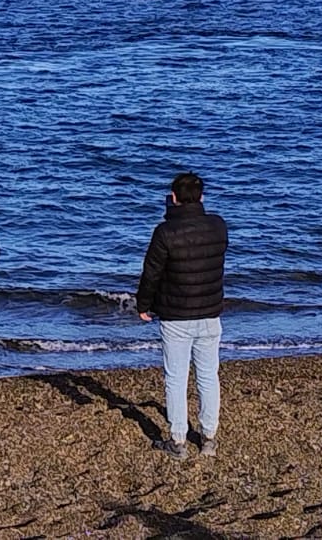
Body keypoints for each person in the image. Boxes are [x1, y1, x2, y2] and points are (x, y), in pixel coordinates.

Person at [136, 171, 228, 460]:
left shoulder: (165, 232)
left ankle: (178, 441)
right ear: (201, 197)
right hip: (210, 310)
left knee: (176, 378)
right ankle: (209, 437)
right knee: (208, 376)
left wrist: (143, 304)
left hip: (176, 314)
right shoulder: (217, 226)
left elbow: (151, 273)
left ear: (173, 198)